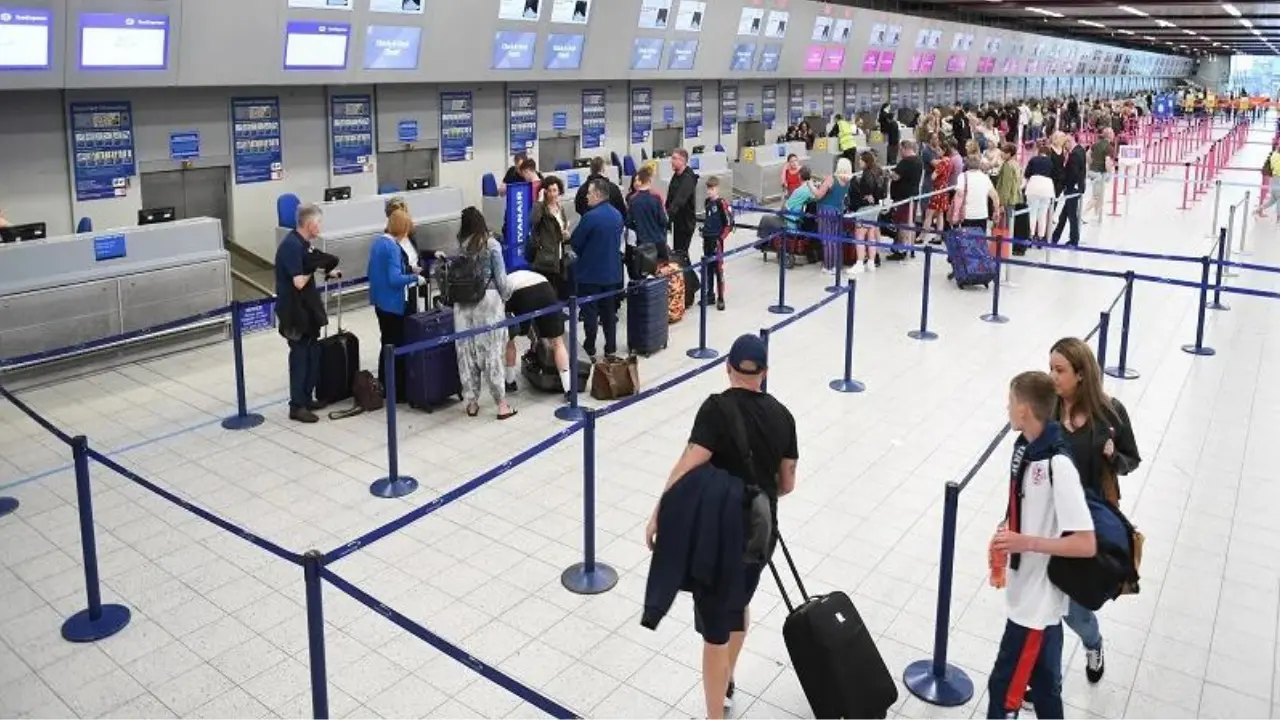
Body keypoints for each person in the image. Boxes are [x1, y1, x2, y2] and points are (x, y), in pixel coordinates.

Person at [644, 334, 798, 720]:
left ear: (727, 368)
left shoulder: (715, 410)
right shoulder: (783, 416)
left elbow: (688, 465)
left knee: (714, 628)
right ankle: (728, 679)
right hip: (760, 534)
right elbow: (787, 483)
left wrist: (660, 510)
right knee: (738, 605)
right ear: (764, 373)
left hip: (718, 536)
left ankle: (716, 714)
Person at [987, 371, 1096, 720]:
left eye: (1011, 401)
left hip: (1036, 605)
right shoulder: (1025, 449)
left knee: (1004, 689)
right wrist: (1008, 527)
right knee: (1047, 688)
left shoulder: (1057, 464)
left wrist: (1025, 541)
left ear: (1024, 411)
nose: (1007, 407)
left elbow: (1085, 543)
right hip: (1029, 595)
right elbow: (1026, 504)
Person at [1047, 337, 1141, 686]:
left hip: (1089, 526)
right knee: (1045, 608)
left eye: (1060, 370)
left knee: (1078, 611)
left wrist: (1114, 456)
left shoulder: (1110, 413)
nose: (1053, 377)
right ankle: (1046, 679)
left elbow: (1131, 459)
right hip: (1050, 520)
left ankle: (1094, 643)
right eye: (1051, 369)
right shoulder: (1050, 409)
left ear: (1082, 374)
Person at [274, 204, 340, 423]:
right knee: (300, 358)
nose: (320, 226)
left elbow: (311, 264)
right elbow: (299, 281)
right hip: (295, 313)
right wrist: (314, 267)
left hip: (307, 310)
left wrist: (326, 269)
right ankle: (297, 405)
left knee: (313, 354)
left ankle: (307, 397)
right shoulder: (291, 246)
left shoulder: (304, 245)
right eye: (319, 222)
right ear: (310, 224)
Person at [452, 207, 516, 420]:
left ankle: (471, 403)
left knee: (466, 354)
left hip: (462, 306)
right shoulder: (491, 244)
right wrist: (507, 296)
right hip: (487, 303)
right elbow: (502, 281)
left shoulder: (461, 246)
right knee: (492, 353)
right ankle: (501, 405)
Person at [368, 209, 425, 402]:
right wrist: (414, 277)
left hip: (380, 302)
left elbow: (380, 271)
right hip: (393, 304)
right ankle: (398, 391)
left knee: (386, 343)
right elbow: (393, 279)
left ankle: (385, 384)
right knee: (398, 346)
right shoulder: (392, 247)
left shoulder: (378, 243)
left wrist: (407, 269)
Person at [570, 178, 625, 359]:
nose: (586, 197)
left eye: (589, 193)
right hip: (612, 274)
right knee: (609, 313)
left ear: (598, 195)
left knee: (590, 313)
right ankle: (610, 347)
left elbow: (576, 243)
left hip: (590, 275)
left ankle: (590, 347)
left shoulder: (589, 217)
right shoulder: (617, 215)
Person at [503, 269, 570, 396]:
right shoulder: (527, 274)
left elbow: (522, 327)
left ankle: (510, 381)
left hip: (520, 292)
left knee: (509, 339)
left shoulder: (505, 282)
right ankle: (569, 389)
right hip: (545, 289)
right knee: (557, 341)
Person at [527, 175, 571, 297]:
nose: (552, 194)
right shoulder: (541, 209)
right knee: (546, 293)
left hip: (559, 256)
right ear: (545, 192)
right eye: (549, 190)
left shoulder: (560, 209)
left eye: (555, 190)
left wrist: (566, 235)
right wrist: (539, 201)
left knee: (557, 291)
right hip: (545, 258)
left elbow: (562, 229)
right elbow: (532, 220)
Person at [816, 158, 854, 275]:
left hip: (826, 211)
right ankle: (837, 265)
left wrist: (811, 186)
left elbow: (818, 195)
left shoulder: (831, 179)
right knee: (836, 239)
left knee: (827, 239)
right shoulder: (847, 181)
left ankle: (828, 266)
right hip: (838, 211)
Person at [700, 176, 732, 310]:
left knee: (718, 269)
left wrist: (721, 238)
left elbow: (729, 223)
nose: (710, 191)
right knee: (707, 268)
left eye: (712, 189)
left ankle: (721, 298)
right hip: (706, 239)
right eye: (708, 189)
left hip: (716, 241)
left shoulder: (722, 203)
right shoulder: (707, 202)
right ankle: (709, 295)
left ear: (717, 188)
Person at [626, 165, 670, 263]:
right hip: (658, 241)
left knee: (644, 269)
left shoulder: (633, 200)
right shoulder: (655, 199)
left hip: (642, 242)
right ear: (649, 180)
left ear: (640, 181)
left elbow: (628, 222)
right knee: (662, 271)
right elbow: (663, 220)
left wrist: (638, 227)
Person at [850, 151, 886, 270]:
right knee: (871, 235)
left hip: (866, 209)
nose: (859, 162)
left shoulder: (866, 174)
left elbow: (866, 191)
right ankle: (871, 262)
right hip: (875, 207)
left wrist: (865, 194)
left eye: (861, 160)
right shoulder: (878, 171)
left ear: (866, 161)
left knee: (860, 236)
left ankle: (860, 263)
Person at [888, 140, 923, 255]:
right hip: (914, 195)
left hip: (903, 198)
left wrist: (889, 174)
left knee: (902, 224)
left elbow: (896, 177)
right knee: (910, 222)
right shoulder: (918, 160)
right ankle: (910, 248)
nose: (900, 152)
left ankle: (901, 249)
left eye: (900, 150)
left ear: (904, 148)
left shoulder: (905, 162)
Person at [1051, 135, 1086, 246]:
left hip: (1072, 189)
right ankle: (1055, 237)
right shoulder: (1081, 150)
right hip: (1077, 187)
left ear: (1069, 142)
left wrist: (1066, 184)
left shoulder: (1074, 155)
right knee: (1064, 214)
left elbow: (1073, 173)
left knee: (1071, 215)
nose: (1065, 148)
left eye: (1065, 145)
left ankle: (1074, 240)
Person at [666, 149, 699, 258]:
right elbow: (670, 197)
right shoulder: (676, 175)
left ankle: (687, 274)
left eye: (675, 158)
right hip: (677, 221)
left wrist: (667, 216)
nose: (672, 161)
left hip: (686, 223)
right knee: (678, 253)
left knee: (681, 254)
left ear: (683, 160)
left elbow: (679, 200)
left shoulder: (688, 178)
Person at [957, 154, 1001, 232]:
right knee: (979, 241)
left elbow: (959, 195)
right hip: (982, 214)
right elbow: (995, 196)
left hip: (967, 215)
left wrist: (956, 212)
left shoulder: (962, 176)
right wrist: (996, 211)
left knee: (967, 241)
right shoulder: (985, 178)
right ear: (979, 165)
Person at [1024, 143, 1057, 244]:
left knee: (1032, 212)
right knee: (1042, 214)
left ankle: (1030, 235)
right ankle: (1041, 237)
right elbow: (1053, 175)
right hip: (1047, 188)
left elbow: (1026, 174)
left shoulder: (1033, 160)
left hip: (1034, 186)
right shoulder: (1051, 162)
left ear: (1039, 153)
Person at [1084, 128, 1115, 224]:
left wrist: (1091, 164)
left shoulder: (1096, 144)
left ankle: (1097, 215)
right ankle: (1082, 214)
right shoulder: (1109, 147)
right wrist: (1109, 172)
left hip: (1093, 171)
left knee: (1100, 195)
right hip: (1100, 173)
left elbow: (1088, 154)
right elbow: (1107, 162)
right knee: (1096, 196)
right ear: (1110, 135)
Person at [1256, 141, 1280, 220]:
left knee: (1272, 199)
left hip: (1274, 179)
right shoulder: (1278, 157)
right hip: (1278, 179)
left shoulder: (1274, 155)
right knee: (1277, 199)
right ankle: (1278, 218)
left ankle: (1259, 209)